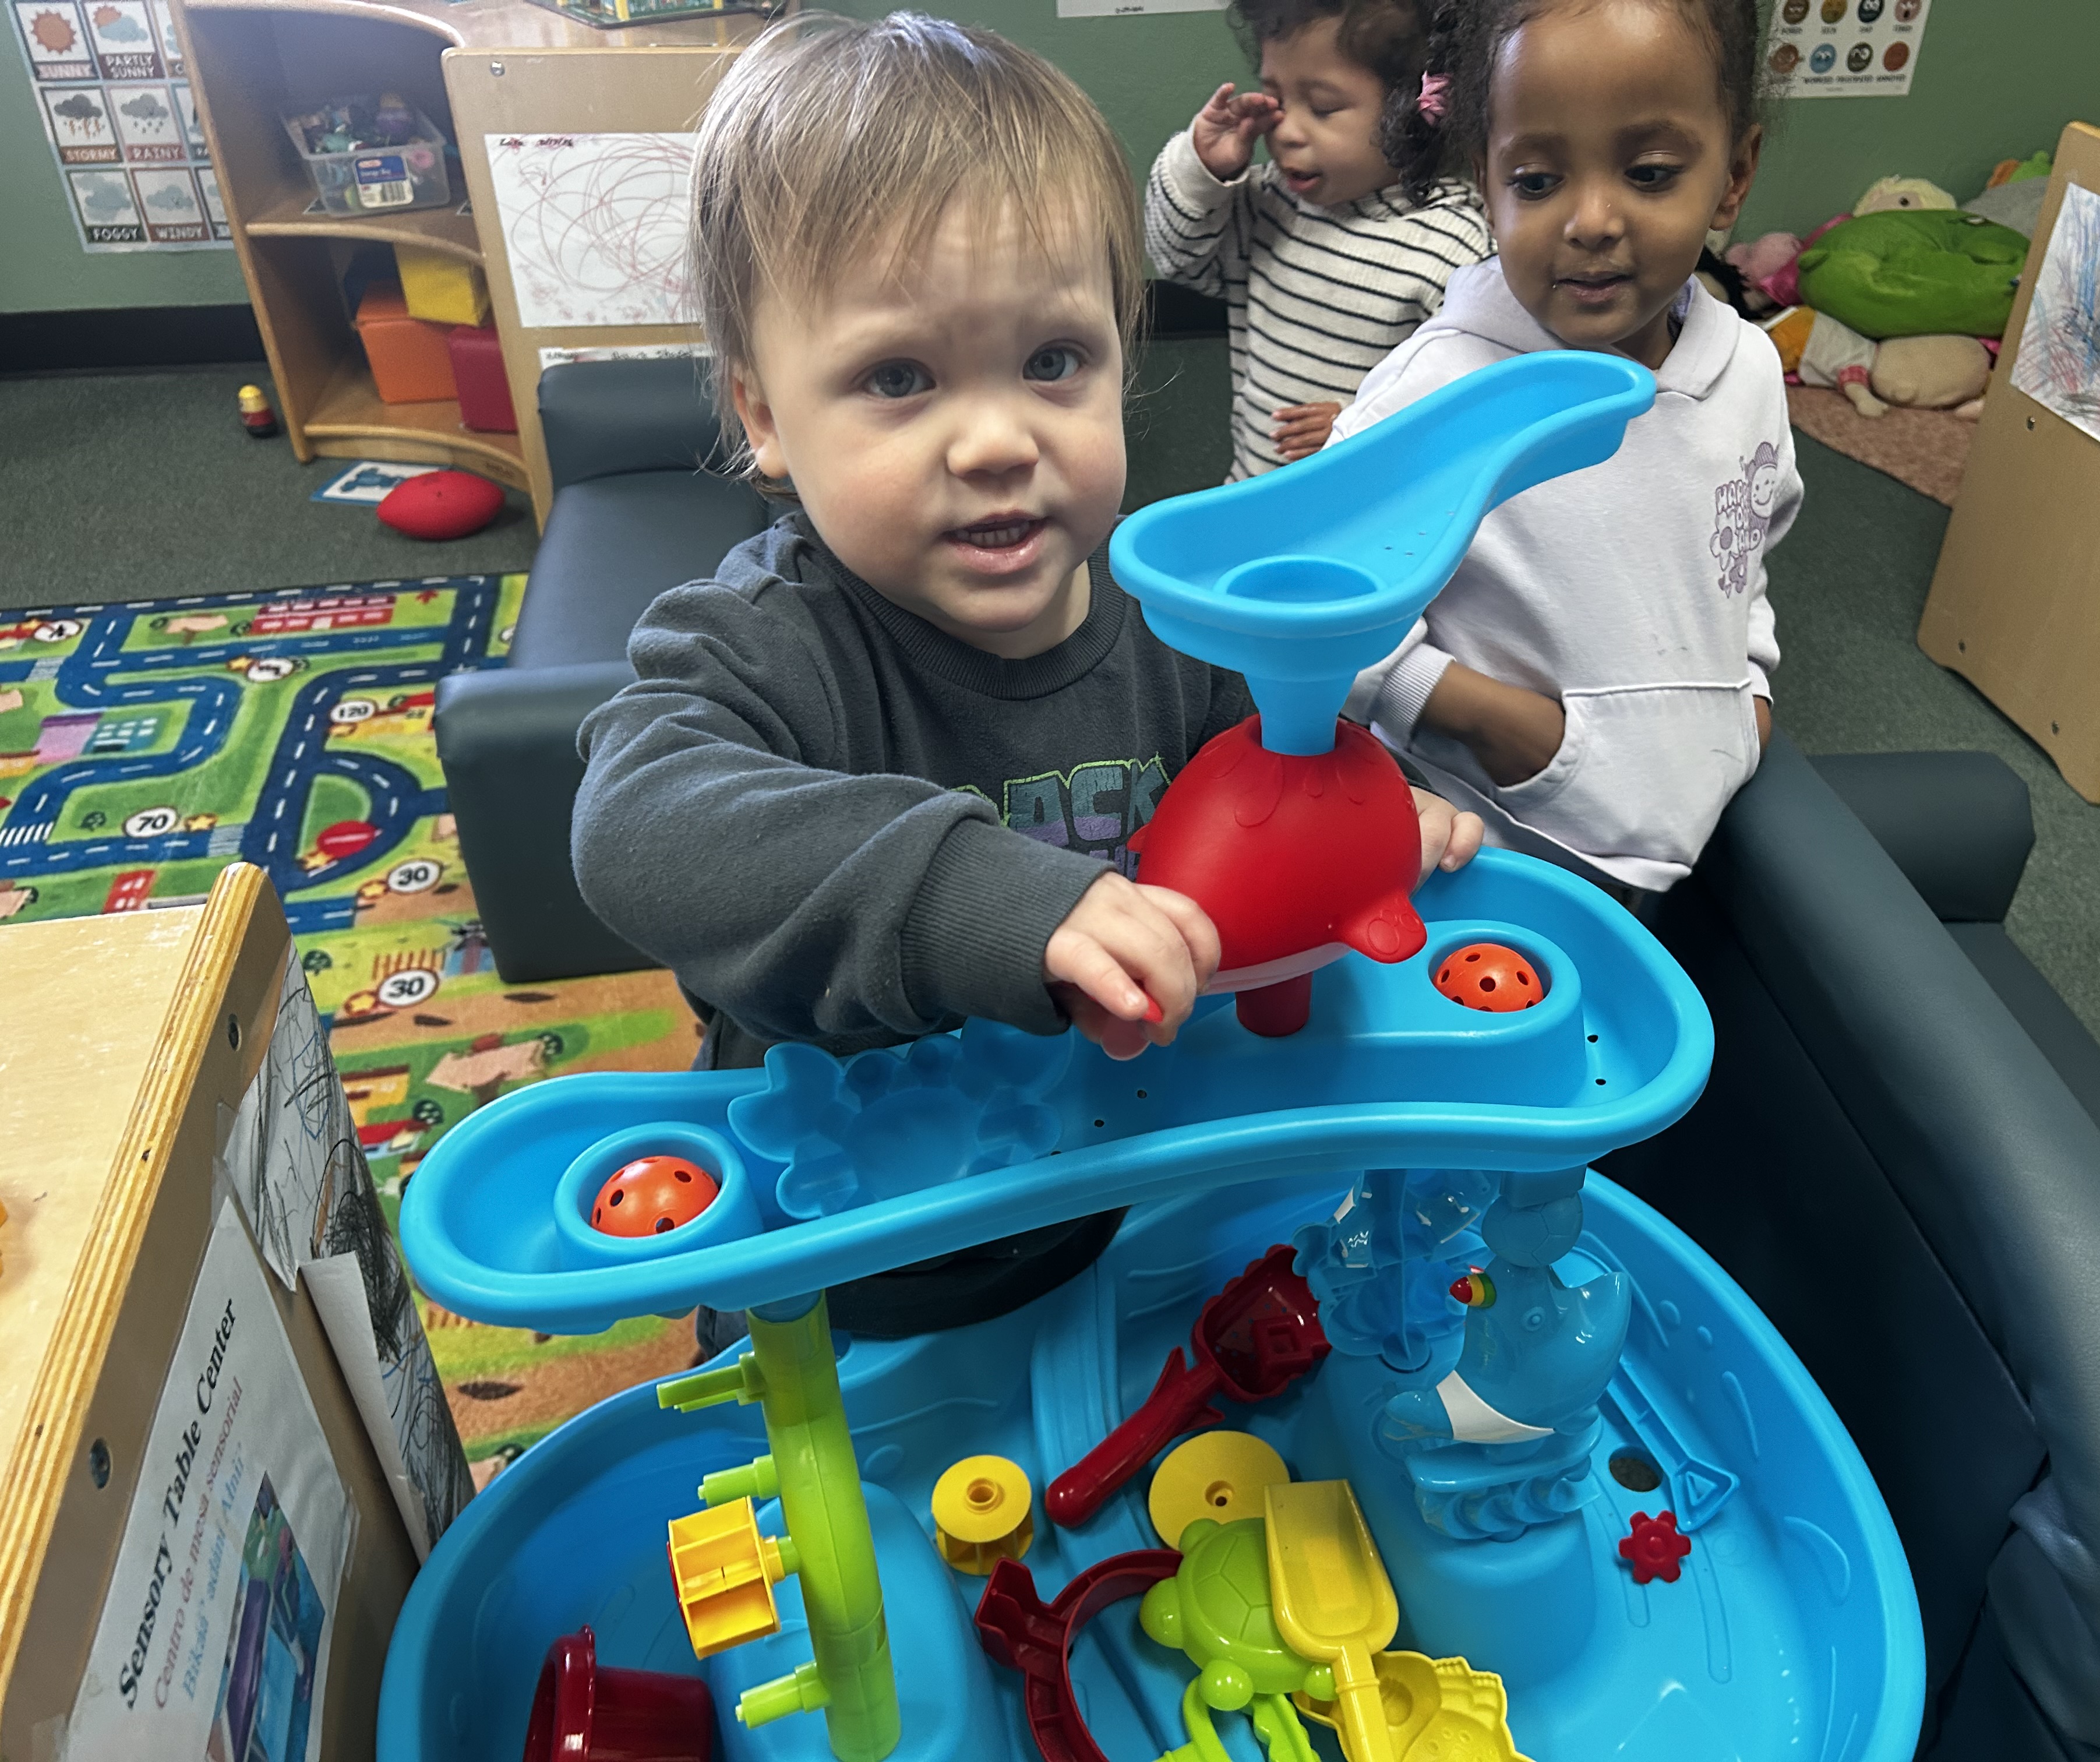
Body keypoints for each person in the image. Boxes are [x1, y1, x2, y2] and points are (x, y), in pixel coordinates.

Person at [572, 12, 1481, 1338]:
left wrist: (1370, 815)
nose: (999, 439)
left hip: (1129, 1206)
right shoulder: (766, 639)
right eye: (899, 377)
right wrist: (972, 896)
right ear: (764, 413)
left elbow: (1271, 779)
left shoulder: (1174, 616)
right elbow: (632, 827)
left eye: (1054, 362)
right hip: (856, 1264)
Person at [1338, 0, 1799, 901]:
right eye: (1540, 181)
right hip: (1483, 849)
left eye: (1650, 172)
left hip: (1683, 829)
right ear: (1488, 182)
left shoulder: (1745, 364)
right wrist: (1505, 726)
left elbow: (1745, 548)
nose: (1591, 220)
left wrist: (1749, 701)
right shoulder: (1439, 387)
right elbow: (1327, 616)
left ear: (1735, 174)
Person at [1145, 0, 1491, 478]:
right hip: (1253, 493)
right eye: (1276, 102)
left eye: (1323, 108)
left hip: (1372, 515)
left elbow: (1474, 403)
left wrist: (1363, 424)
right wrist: (1201, 169)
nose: (1286, 130)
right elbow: (1176, 259)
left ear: (1412, 110)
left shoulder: (1452, 245)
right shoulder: (1269, 203)